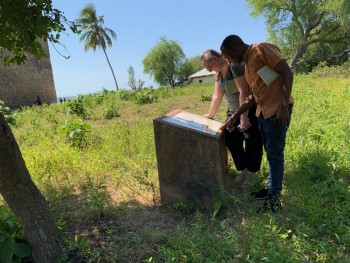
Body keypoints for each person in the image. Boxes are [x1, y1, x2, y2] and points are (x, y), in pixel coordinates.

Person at [220, 35, 294, 212]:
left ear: (236, 48)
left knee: (275, 155)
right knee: (270, 153)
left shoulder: (262, 50)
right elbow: (252, 96)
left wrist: (284, 106)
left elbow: (287, 73)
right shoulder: (247, 65)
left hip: (277, 110)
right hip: (263, 112)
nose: (230, 61)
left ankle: (274, 198)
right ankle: (270, 188)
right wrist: (234, 116)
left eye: (230, 57)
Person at [200, 49, 263, 187]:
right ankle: (244, 171)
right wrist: (210, 115)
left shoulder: (234, 66)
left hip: (248, 109)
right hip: (232, 111)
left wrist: (243, 117)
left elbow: (244, 91)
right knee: (231, 139)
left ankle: (252, 174)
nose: (210, 70)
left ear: (215, 58)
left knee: (253, 141)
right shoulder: (219, 75)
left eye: (209, 66)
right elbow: (217, 95)